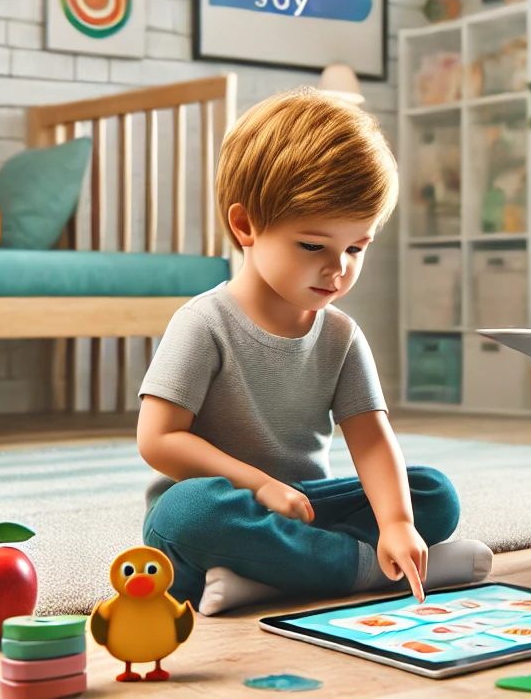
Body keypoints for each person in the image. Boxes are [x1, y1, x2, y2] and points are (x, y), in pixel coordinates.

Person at [137, 88, 492, 615]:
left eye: (356, 248)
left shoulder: (341, 336)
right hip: (226, 511)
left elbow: (371, 441)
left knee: (432, 494)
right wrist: (260, 488)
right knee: (184, 513)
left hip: (304, 509)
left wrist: (396, 522)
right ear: (245, 226)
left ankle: (271, 580)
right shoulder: (202, 324)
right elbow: (159, 440)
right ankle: (365, 570)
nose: (339, 268)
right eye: (313, 246)